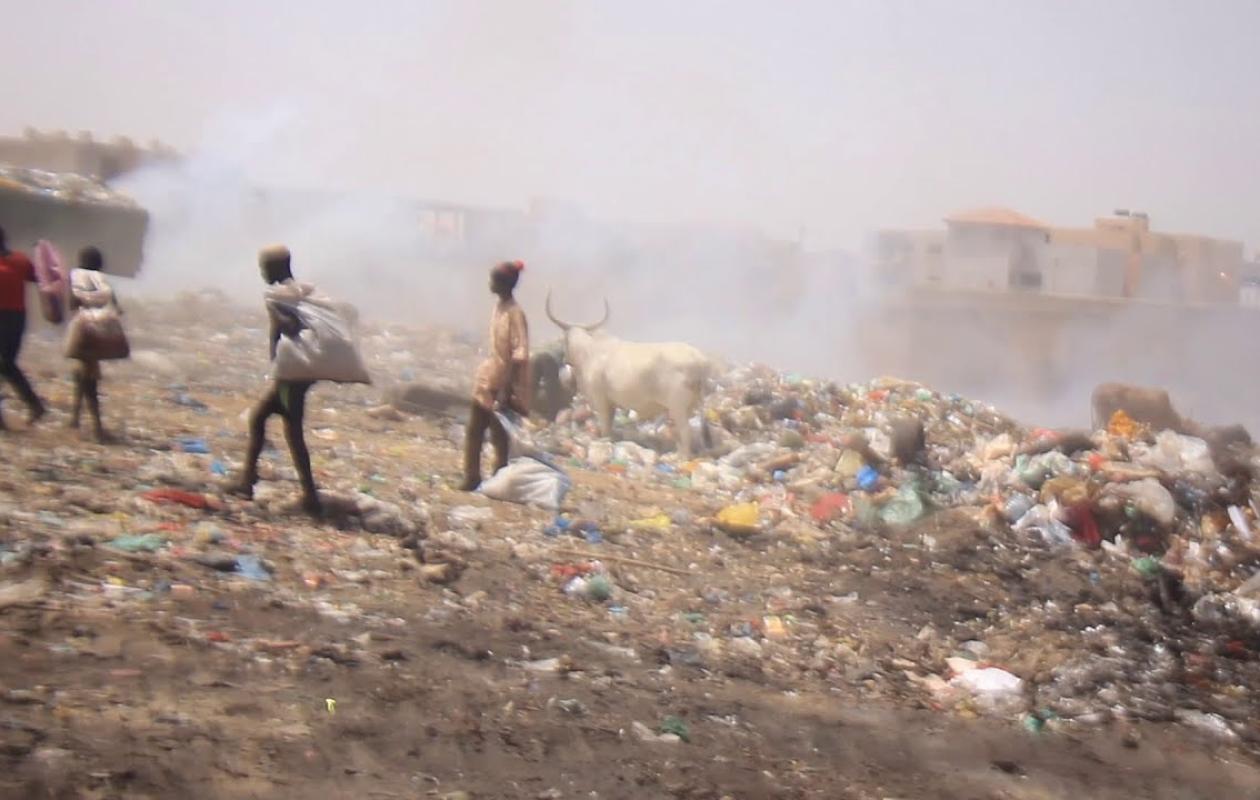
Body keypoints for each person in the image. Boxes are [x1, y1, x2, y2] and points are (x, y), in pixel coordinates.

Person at [230, 245, 322, 516]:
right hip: (293, 374)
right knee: (261, 420)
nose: (262, 273)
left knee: (291, 432)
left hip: (291, 376)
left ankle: (310, 497)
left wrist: (276, 315)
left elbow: (293, 326)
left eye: (264, 268)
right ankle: (250, 481)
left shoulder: (282, 295)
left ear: (276, 268)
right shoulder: (297, 292)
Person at [462, 260, 530, 490]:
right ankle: (471, 477)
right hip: (488, 377)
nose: (489, 284)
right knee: (474, 429)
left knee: (499, 436)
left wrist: (506, 389)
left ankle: (499, 481)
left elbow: (519, 354)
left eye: (493, 280)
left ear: (504, 284)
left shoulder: (515, 313)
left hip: (502, 381)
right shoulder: (500, 307)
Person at [67, 246, 120, 441]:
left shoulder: (76, 279)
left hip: (80, 333)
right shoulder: (102, 282)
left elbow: (72, 304)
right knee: (89, 379)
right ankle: (95, 427)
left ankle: (77, 419)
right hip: (96, 335)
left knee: (81, 375)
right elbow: (115, 308)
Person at [0, 225, 46, 430]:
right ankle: (32, 405)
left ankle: (34, 404)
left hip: (13, 318)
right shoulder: (19, 261)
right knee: (5, 365)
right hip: (14, 317)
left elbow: (40, 278)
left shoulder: (19, 261)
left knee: (6, 364)